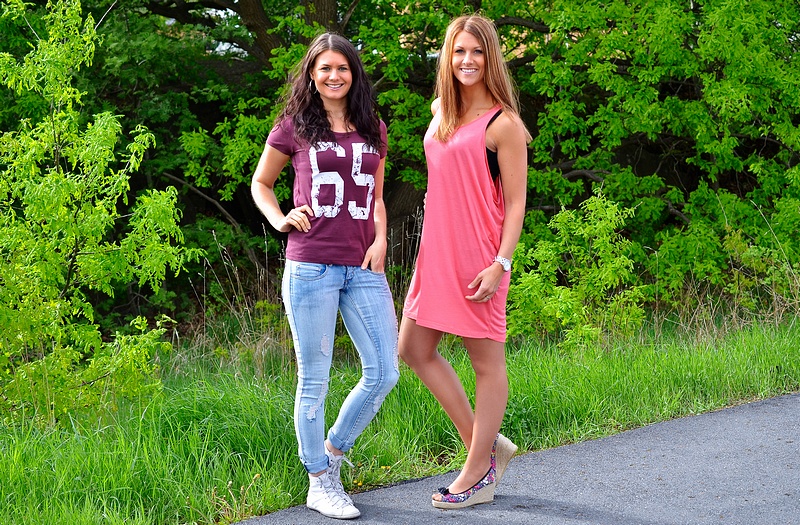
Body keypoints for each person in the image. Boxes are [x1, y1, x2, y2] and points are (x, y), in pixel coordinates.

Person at [251, 32, 399, 520]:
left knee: (384, 371)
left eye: (342, 68)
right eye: (325, 68)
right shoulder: (293, 127)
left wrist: (380, 240)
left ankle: (332, 452)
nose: (334, 76)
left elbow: (376, 196)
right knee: (314, 379)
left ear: (353, 73)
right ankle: (319, 482)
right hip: (311, 264)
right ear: (312, 75)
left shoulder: (373, 127)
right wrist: (280, 218)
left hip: (363, 265)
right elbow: (261, 183)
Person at [399, 14, 531, 509]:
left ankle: (479, 473)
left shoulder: (504, 124)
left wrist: (501, 264)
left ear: (491, 57)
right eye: (459, 51)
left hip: (480, 259)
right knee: (413, 349)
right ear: (447, 57)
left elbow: (515, 203)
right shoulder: (440, 110)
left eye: (477, 51)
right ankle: (487, 444)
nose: (467, 60)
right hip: (435, 252)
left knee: (486, 364)